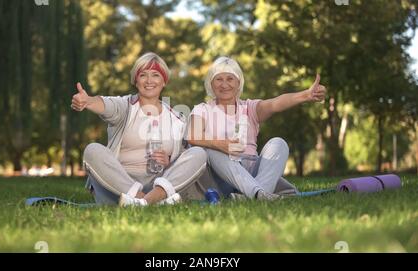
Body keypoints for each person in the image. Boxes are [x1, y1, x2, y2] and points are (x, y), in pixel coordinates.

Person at [72, 52, 207, 206]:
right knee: (92, 150)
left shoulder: (177, 119)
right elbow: (105, 105)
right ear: (136, 80)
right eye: (143, 75)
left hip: (157, 185)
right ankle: (149, 202)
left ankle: (144, 202)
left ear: (164, 81)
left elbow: (183, 162)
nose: (149, 80)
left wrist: (169, 161)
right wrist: (88, 101)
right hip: (119, 187)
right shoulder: (125, 107)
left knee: (199, 153)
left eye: (156, 75)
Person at [188, 56, 326, 200]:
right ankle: (258, 194)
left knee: (279, 143)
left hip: (251, 172)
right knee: (211, 150)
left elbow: (275, 103)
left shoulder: (250, 108)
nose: (224, 84)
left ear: (238, 82)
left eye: (230, 79)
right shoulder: (202, 110)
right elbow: (192, 136)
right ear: (211, 83)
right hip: (221, 176)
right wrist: (221, 145)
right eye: (219, 79)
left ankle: (255, 194)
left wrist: (305, 95)